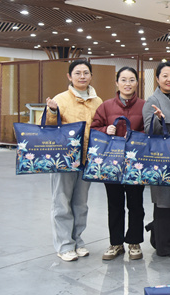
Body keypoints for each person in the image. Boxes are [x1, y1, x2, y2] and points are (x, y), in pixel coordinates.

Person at [44, 58, 103, 262]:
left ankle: (77, 241)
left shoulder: (98, 101)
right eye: (77, 73)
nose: (82, 76)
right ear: (69, 76)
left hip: (86, 159)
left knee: (81, 204)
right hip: (65, 160)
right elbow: (48, 129)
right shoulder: (60, 99)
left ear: (91, 76)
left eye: (86, 73)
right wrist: (52, 111)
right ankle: (64, 245)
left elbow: (100, 127)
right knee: (61, 203)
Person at [91, 67, 146, 261]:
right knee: (114, 204)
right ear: (117, 82)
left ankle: (134, 242)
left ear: (137, 83)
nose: (127, 84)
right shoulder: (105, 106)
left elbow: (150, 132)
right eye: (123, 79)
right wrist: (106, 129)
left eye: (131, 80)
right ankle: (116, 243)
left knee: (136, 204)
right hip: (111, 163)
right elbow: (94, 129)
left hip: (135, 164)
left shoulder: (144, 106)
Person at [143, 61, 170, 258]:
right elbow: (149, 131)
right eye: (165, 76)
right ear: (157, 78)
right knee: (165, 203)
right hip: (163, 159)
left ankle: (156, 231)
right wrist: (159, 120)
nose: (169, 79)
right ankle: (165, 247)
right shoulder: (152, 100)